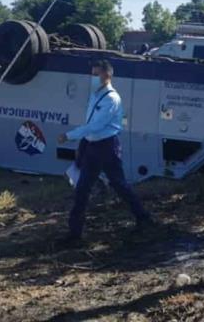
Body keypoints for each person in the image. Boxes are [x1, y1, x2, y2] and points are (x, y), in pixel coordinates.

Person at [57, 59, 152, 244]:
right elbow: (90, 125)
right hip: (92, 147)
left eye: (96, 74)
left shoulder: (111, 99)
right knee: (82, 189)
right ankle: (74, 233)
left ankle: (143, 217)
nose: (93, 78)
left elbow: (96, 125)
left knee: (119, 185)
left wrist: (69, 135)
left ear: (107, 75)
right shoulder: (95, 95)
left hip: (107, 147)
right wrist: (82, 145)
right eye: (92, 74)